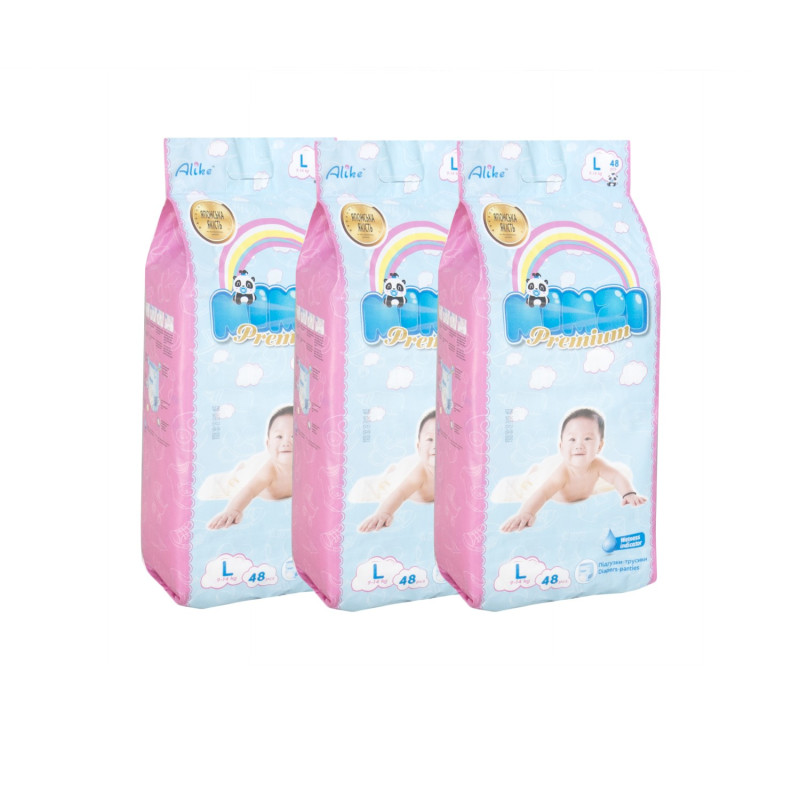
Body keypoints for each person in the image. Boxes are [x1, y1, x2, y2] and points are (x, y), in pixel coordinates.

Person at [500, 408, 647, 533]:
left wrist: (628, 493)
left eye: (587, 439)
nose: (579, 445)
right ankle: (535, 470)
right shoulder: (563, 472)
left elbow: (616, 477)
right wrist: (527, 513)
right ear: (561, 446)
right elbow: (543, 493)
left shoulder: (598, 465)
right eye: (572, 439)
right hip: (549, 478)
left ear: (599, 446)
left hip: (578, 492)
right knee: (532, 480)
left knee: (622, 471)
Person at [206, 405, 293, 530]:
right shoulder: (271, 470)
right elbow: (250, 490)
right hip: (251, 474)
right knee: (229, 481)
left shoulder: (310, 467)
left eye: (294, 436)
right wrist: (234, 510)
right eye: (279, 436)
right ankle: (241, 469)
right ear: (268, 444)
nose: (286, 442)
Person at [357, 410, 436, 533]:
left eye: (444, 438)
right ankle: (391, 472)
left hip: (414, 467)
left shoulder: (457, 471)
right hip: (402, 476)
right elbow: (401, 492)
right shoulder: (421, 472)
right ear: (418, 447)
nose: (436, 445)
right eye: (430, 439)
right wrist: (384, 513)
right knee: (378, 485)